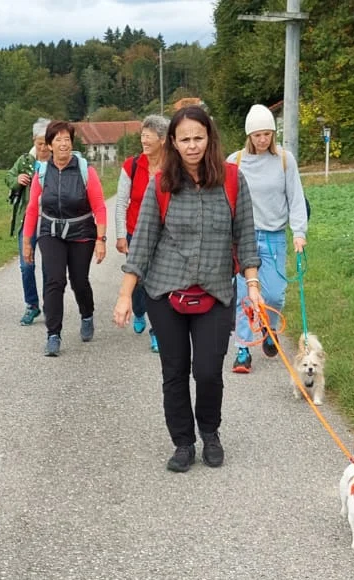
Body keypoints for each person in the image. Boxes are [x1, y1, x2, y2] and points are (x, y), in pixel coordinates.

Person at [114, 104, 260, 473]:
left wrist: (253, 286)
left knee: (209, 371)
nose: (192, 145)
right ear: (173, 144)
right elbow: (144, 240)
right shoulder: (161, 182)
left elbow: (245, 237)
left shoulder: (231, 179)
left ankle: (210, 432)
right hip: (166, 293)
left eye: (198, 137)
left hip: (215, 292)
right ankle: (183, 442)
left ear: (209, 138)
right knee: (174, 371)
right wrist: (124, 295)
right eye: (185, 139)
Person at [227, 104, 309, 374]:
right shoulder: (235, 162)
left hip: (274, 237)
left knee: (274, 294)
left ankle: (270, 327)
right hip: (245, 237)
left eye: (267, 134)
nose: (262, 140)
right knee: (244, 296)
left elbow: (295, 198)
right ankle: (242, 350)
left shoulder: (285, 160)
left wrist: (299, 232)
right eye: (257, 135)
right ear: (249, 135)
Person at [20, 120, 108, 356]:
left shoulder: (84, 170)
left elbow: (99, 206)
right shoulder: (41, 172)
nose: (63, 144)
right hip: (51, 232)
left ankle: (87, 313)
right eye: (57, 140)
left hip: (81, 233)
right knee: (54, 280)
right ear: (48, 145)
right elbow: (32, 209)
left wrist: (101, 239)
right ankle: (53, 334)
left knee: (79, 280)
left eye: (66, 140)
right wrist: (27, 241)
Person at [108, 113, 171, 353]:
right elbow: (122, 201)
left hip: (165, 236)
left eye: (148, 136)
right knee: (138, 283)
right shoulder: (132, 166)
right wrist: (121, 235)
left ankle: (157, 331)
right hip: (136, 233)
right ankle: (139, 309)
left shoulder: (172, 167)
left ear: (163, 139)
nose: (143, 141)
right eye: (142, 136)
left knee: (158, 284)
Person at [7, 118, 52, 326]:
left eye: (45, 143)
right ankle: (32, 305)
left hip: (52, 221)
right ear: (33, 141)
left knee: (50, 267)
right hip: (28, 220)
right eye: (38, 143)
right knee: (27, 265)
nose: (42, 147)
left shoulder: (58, 161)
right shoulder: (25, 160)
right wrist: (16, 181)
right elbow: (9, 177)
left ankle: (50, 305)